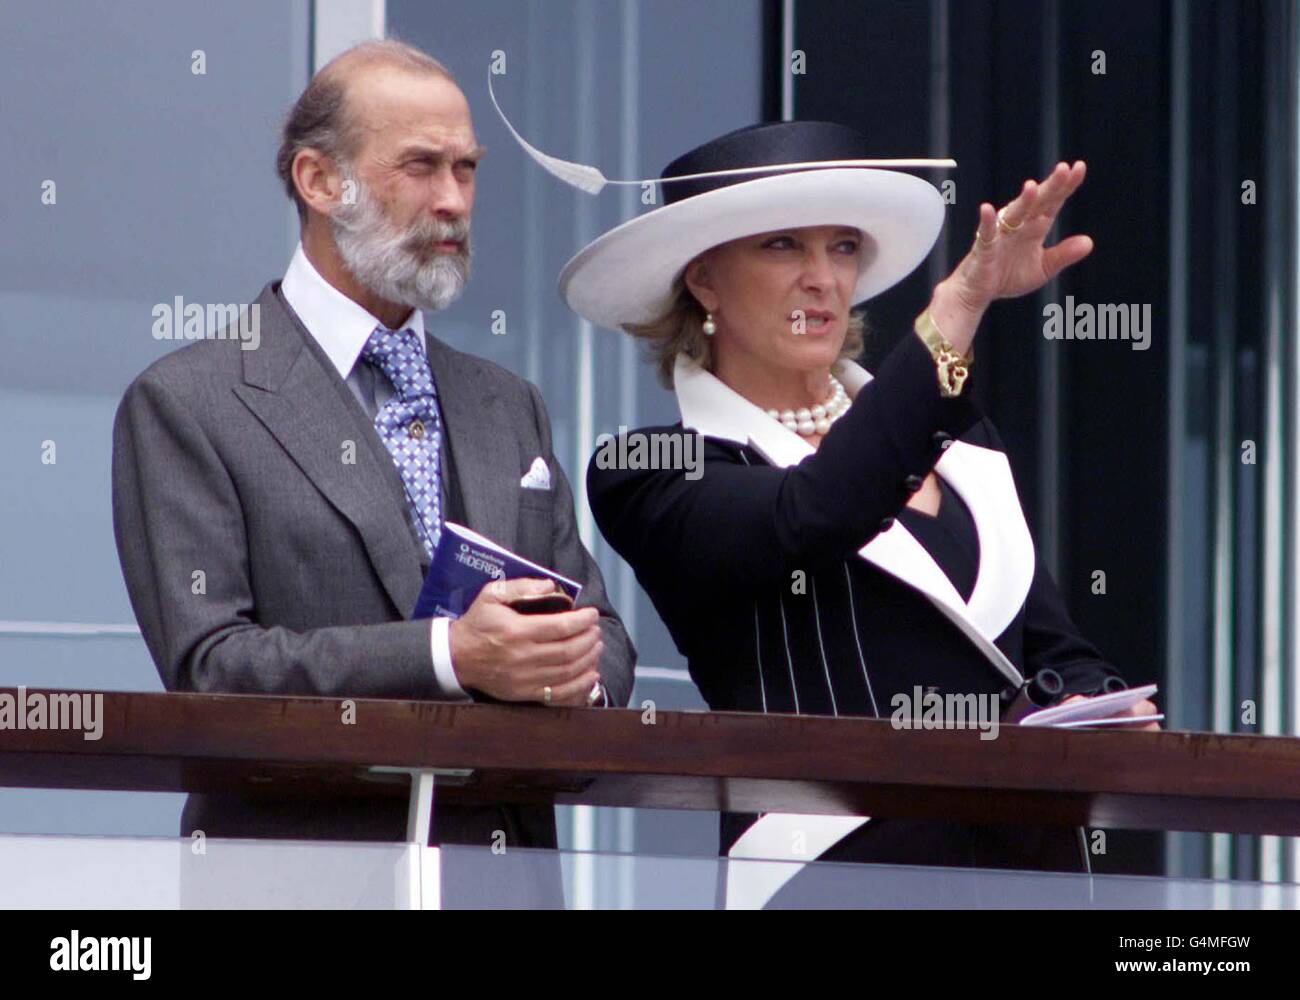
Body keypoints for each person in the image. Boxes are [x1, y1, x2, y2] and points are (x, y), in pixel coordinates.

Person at [574, 120, 1158, 904]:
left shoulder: (959, 433)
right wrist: (958, 306)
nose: (822, 277)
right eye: (783, 245)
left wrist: (1092, 704)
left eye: (842, 247)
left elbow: (1048, 642)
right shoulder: (650, 469)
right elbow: (816, 510)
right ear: (704, 281)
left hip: (1027, 871)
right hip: (833, 877)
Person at [110, 40, 634, 902]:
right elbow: (212, 668)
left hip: (498, 882)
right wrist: (449, 654)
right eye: (421, 167)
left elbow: (601, 635)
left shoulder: (507, 403)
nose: (454, 201)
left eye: (467, 169)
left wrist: (567, 664)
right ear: (320, 181)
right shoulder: (189, 400)